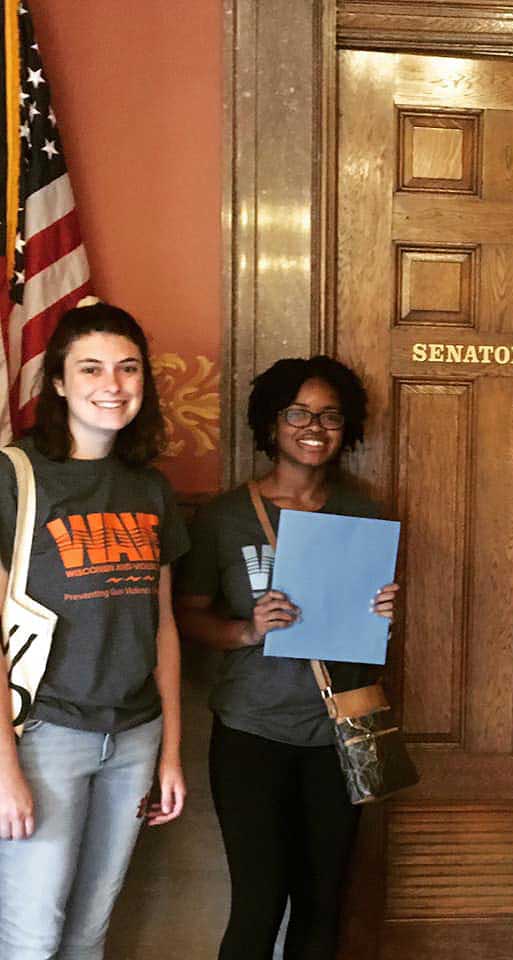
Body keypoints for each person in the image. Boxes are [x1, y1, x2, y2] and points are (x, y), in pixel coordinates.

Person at [174, 355, 399, 960]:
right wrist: (247, 631)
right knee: (258, 903)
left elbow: (365, 636)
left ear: (346, 427)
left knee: (323, 904)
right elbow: (187, 617)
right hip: (252, 732)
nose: (314, 426)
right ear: (271, 423)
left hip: (338, 733)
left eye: (330, 415)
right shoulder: (225, 516)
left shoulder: (366, 515)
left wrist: (380, 611)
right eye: (298, 412)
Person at [0, 301, 189, 959]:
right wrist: (3, 767)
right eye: (91, 368)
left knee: (88, 934)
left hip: (134, 737)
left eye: (128, 368)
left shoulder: (151, 489)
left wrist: (169, 750)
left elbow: (162, 626)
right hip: (45, 737)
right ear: (58, 381)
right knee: (32, 938)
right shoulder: (13, 477)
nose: (112, 385)